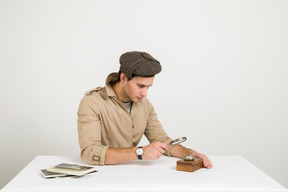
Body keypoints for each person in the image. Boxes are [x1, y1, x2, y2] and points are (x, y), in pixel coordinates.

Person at [77, 51, 213, 169]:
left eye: (148, 87)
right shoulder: (92, 102)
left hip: (137, 175)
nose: (145, 93)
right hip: (100, 177)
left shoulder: (144, 104)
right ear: (123, 78)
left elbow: (161, 139)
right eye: (141, 86)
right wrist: (139, 152)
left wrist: (189, 153)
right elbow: (89, 152)